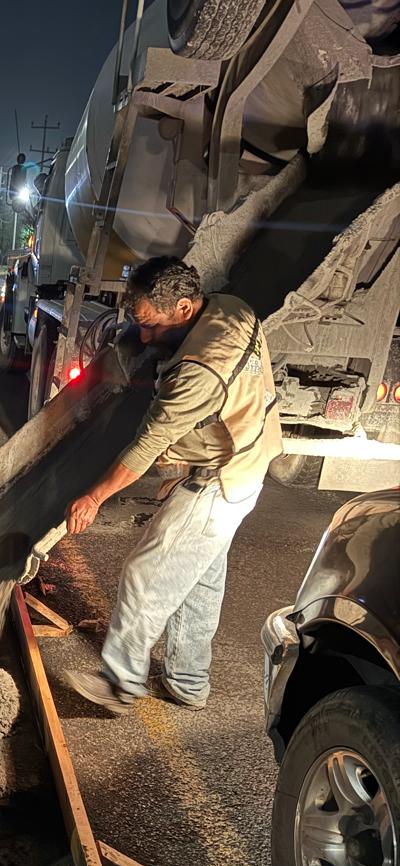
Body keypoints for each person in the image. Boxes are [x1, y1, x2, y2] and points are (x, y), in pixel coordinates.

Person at [64, 255, 282, 714]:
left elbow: (146, 447)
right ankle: (187, 683)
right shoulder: (230, 307)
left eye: (151, 326)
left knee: (146, 577)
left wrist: (93, 497)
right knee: (198, 581)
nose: (144, 337)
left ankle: (121, 684)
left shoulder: (197, 370)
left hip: (219, 483)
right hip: (251, 463)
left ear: (184, 308)